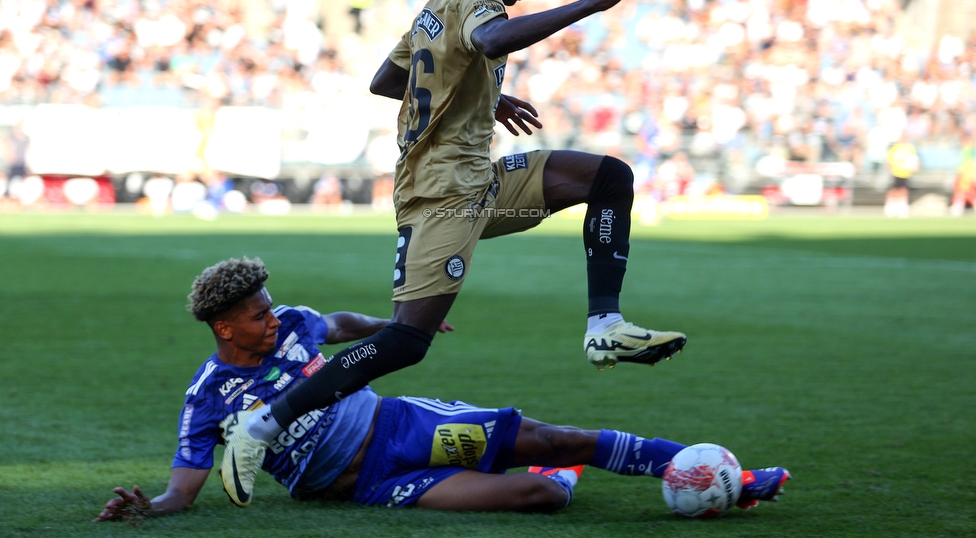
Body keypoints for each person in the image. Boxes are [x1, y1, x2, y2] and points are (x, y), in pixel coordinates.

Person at [219, 0, 690, 508]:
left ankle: (606, 327)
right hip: (441, 196)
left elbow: (385, 81)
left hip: (481, 182)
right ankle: (260, 426)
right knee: (405, 342)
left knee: (607, 179)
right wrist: (592, 4)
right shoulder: (478, 2)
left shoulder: (437, 5)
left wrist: (481, 98)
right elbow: (490, 38)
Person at [94, 258, 790, 522]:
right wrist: (146, 510)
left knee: (550, 436)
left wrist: (407, 324)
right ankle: (561, 476)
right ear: (223, 328)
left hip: (403, 429)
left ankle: (726, 474)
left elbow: (345, 323)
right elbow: (183, 491)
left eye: (272, 306)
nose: (273, 318)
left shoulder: (298, 326)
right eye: (256, 314)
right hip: (373, 487)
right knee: (541, 493)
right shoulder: (208, 396)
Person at [884, 135, 920, 218]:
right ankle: (891, 205)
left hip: (905, 172)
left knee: (904, 189)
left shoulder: (910, 147)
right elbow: (889, 159)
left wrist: (915, 167)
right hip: (896, 172)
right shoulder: (895, 147)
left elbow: (914, 158)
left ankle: (902, 206)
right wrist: (890, 167)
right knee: (894, 189)